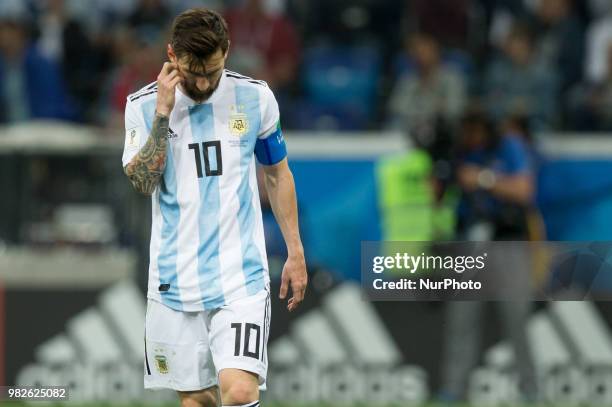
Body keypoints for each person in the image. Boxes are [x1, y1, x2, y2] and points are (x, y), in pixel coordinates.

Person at [121, 8, 307, 407]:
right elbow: (142, 182)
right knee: (196, 401)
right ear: (172, 55)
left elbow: (277, 173)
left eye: (213, 70)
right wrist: (163, 114)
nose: (204, 81)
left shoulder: (255, 98)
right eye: (193, 72)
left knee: (239, 392)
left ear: (228, 51)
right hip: (173, 281)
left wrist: (295, 250)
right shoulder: (143, 106)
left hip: (240, 275)